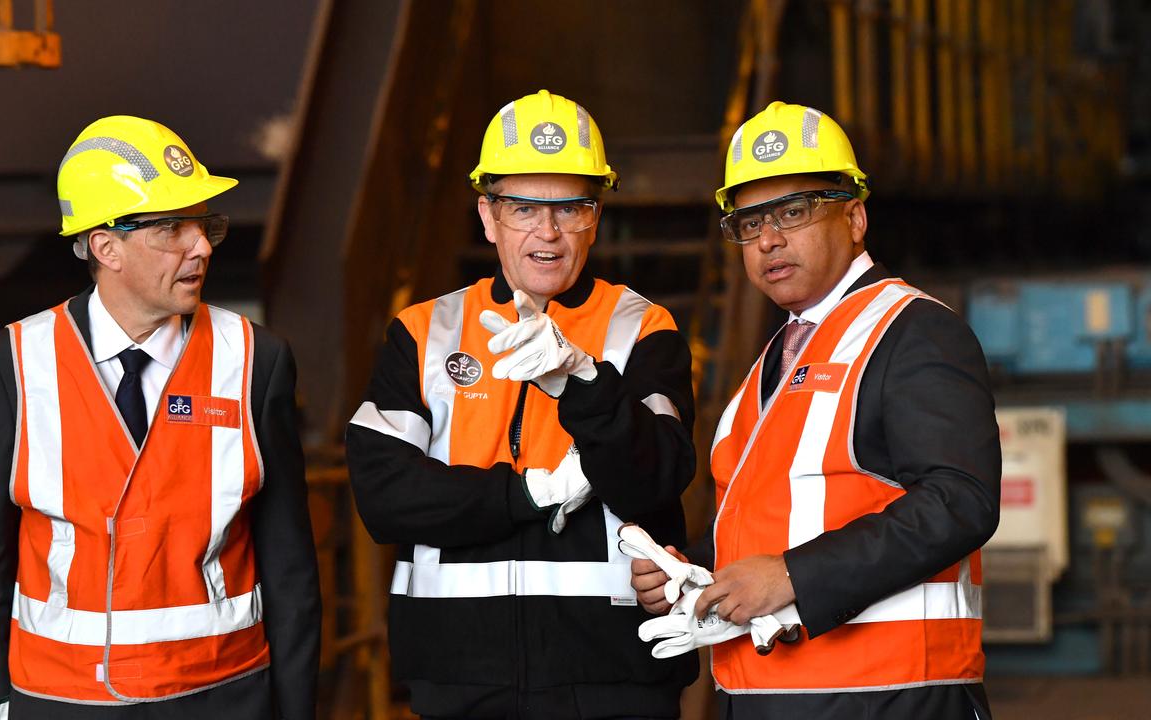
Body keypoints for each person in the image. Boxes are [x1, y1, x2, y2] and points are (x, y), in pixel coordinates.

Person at [631, 101, 1000, 719]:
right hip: (765, 696)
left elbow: (960, 501)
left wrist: (792, 577)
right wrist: (697, 569)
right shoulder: (778, 356)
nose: (768, 239)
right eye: (749, 222)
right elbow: (781, 518)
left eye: (792, 212)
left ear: (855, 218)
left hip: (891, 697)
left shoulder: (913, 331)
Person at [0, 116, 320, 720]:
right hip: (61, 700)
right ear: (106, 247)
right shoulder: (13, 363)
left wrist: (296, 708)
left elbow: (289, 565)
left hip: (222, 694)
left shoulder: (257, 361)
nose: (200, 246)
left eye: (204, 225)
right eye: (173, 228)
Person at [346, 89, 698, 719]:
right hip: (459, 676)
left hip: (612, 675)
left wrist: (587, 382)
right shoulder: (425, 331)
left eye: (571, 207)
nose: (548, 231)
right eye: (523, 207)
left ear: (595, 216)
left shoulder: (644, 328)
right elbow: (384, 494)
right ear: (487, 216)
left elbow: (654, 480)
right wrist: (530, 495)